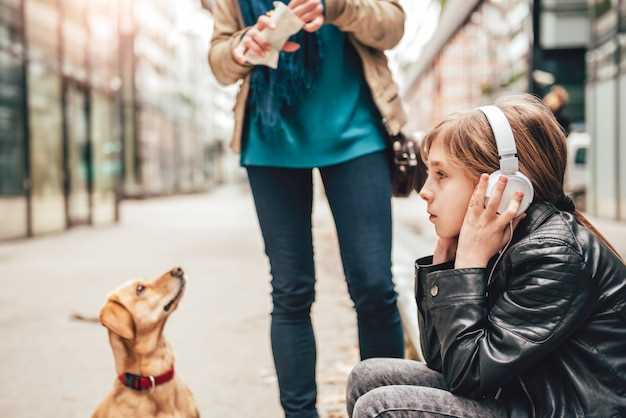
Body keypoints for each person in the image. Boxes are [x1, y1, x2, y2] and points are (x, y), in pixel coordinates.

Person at [346, 95, 626, 418]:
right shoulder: (501, 238)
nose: (424, 190)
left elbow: (468, 375)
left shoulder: (552, 254)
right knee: (366, 377)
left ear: (499, 187)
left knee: (380, 408)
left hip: (562, 409)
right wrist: (444, 261)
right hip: (527, 396)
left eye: (441, 175)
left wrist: (468, 264)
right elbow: (443, 361)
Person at [208, 1, 407, 417]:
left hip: (356, 131)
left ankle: (388, 409)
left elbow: (392, 27)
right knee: (291, 290)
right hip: (270, 136)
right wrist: (245, 45)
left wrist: (336, 8)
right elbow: (219, 60)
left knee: (374, 286)